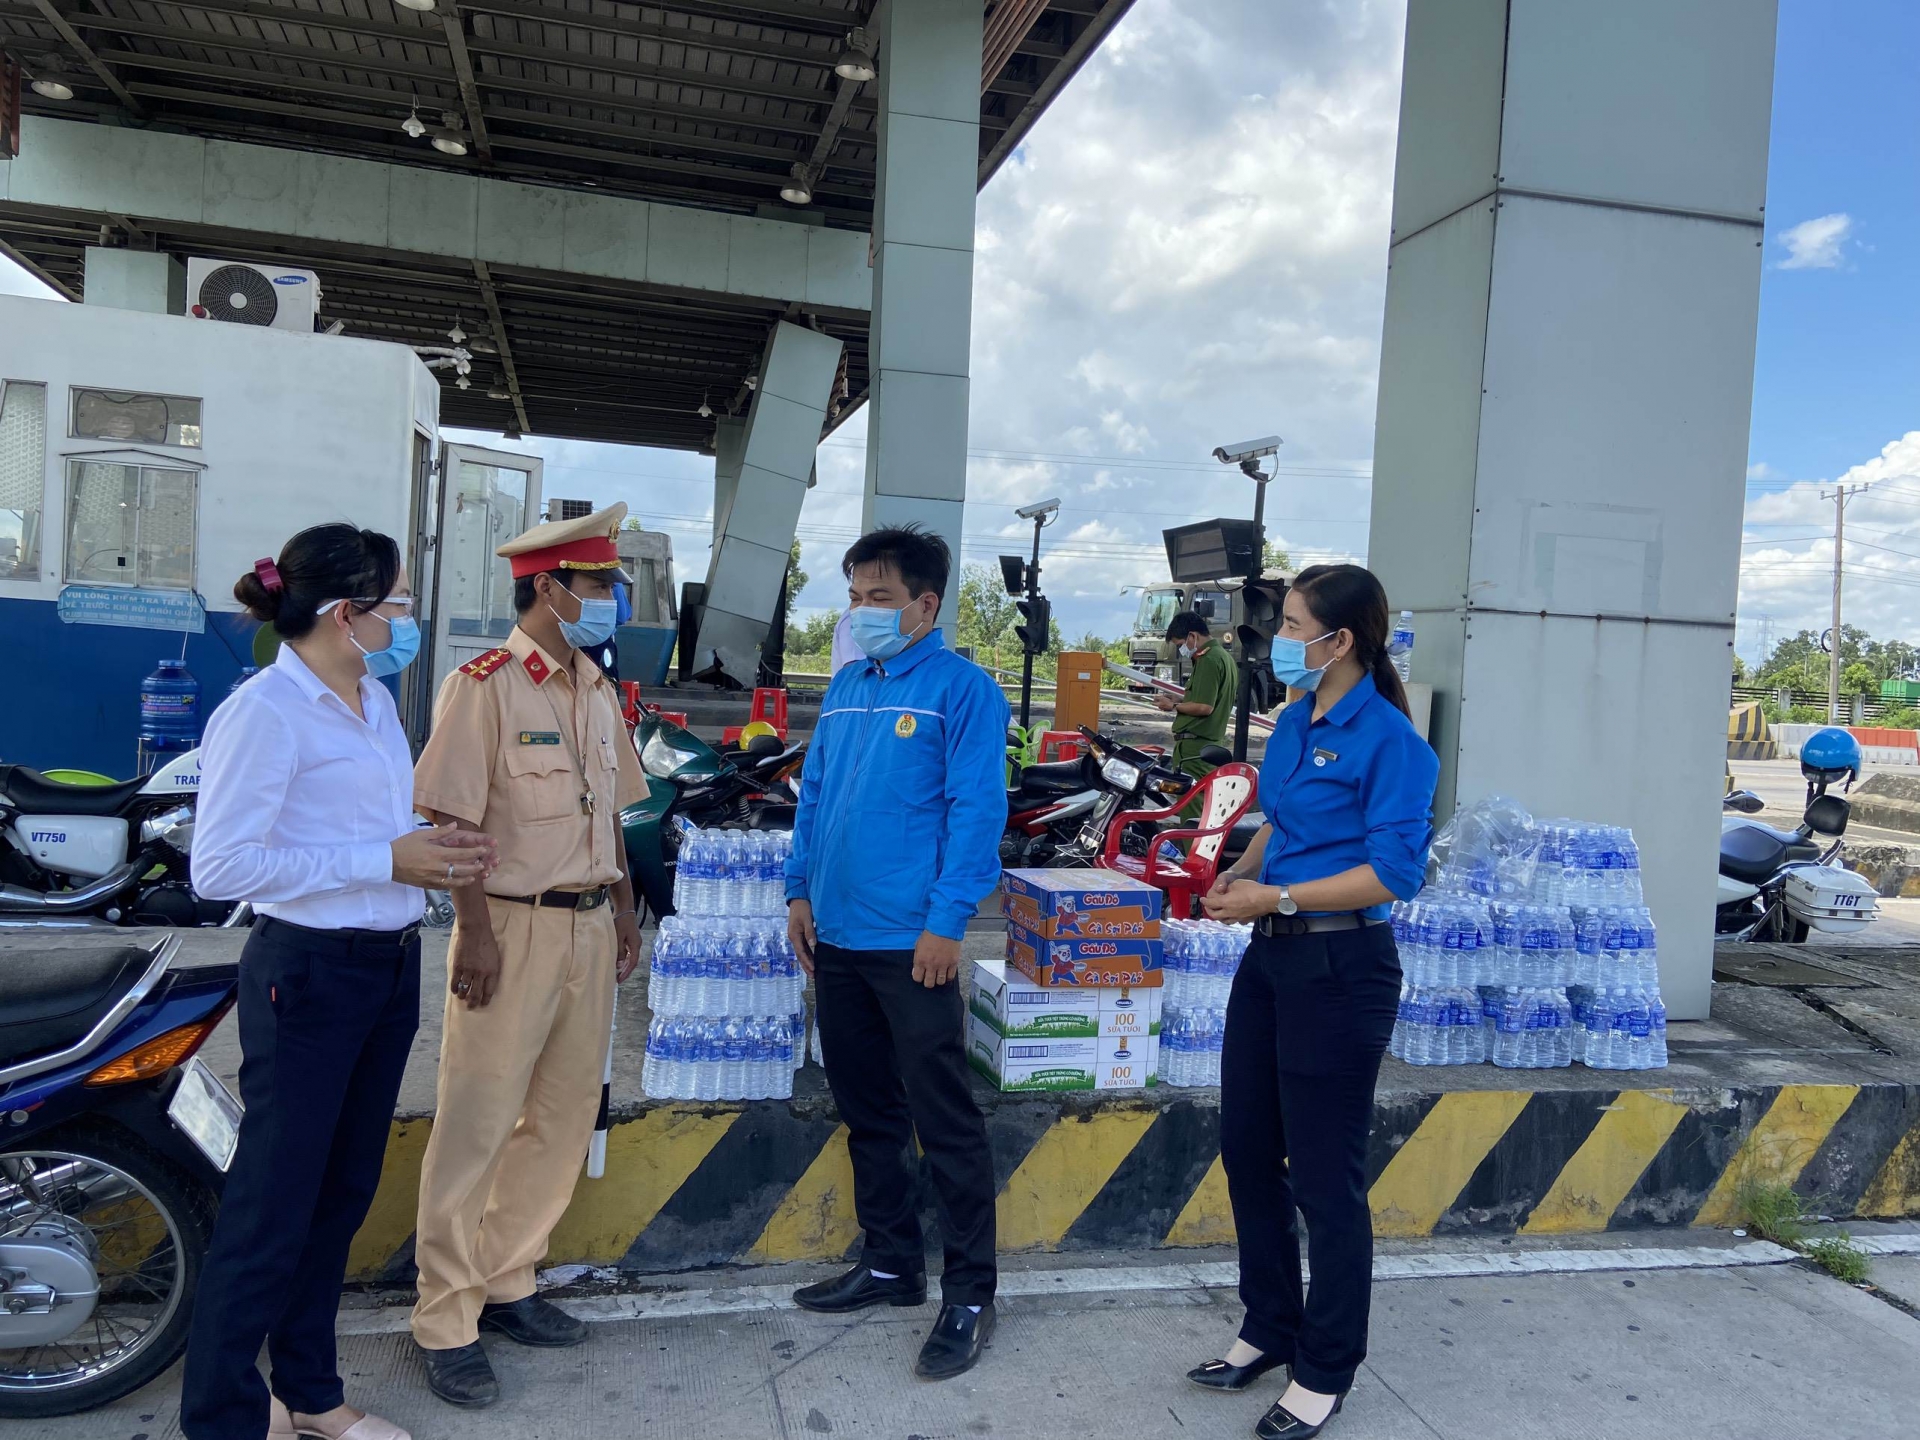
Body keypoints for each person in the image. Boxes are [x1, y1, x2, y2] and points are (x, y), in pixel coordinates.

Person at [184, 526, 497, 1440]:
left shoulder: (369, 700)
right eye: (395, 605)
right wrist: (383, 856)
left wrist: (427, 857)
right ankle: (224, 1418)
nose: (406, 620)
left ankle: (310, 1395)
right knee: (271, 1207)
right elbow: (222, 866)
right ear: (344, 614)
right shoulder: (265, 712)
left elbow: (377, 836)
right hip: (307, 977)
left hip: (384, 968)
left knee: (340, 1193)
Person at [1189, 564, 1439, 1440]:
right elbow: (1285, 820)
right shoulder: (1294, 722)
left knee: (1326, 1180)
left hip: (1343, 971)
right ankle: (1268, 1326)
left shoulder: (1397, 745)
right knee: (1248, 1149)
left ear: (1344, 641)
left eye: (1295, 626)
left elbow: (1394, 874)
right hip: (1270, 962)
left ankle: (1326, 1365)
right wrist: (1244, 872)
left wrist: (1281, 899)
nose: (1281, 642)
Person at [408, 503, 649, 1408]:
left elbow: (612, 813)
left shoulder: (593, 684)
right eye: (599, 586)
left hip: (588, 923)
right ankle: (445, 1318)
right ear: (549, 587)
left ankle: (510, 1279)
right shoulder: (485, 683)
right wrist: (470, 929)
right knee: (476, 1123)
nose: (611, 600)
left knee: (557, 1118)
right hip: (507, 927)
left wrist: (624, 907)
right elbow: (455, 823)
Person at [783, 524, 1009, 1380]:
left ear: (925, 604)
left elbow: (975, 812)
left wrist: (948, 921)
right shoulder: (845, 687)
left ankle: (972, 1293)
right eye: (854, 596)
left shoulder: (963, 690)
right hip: (836, 935)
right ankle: (889, 1264)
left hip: (913, 945)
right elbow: (815, 801)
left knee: (944, 1119)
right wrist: (799, 891)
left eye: (878, 598)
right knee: (869, 1110)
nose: (862, 612)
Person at [1155, 610, 1237, 780]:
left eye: (1180, 645)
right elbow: (1209, 697)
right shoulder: (1224, 657)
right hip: (1206, 745)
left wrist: (1173, 706)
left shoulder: (1208, 659)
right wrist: (1182, 699)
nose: (1181, 650)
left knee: (1191, 804)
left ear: (1192, 636)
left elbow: (1205, 707)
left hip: (1195, 749)